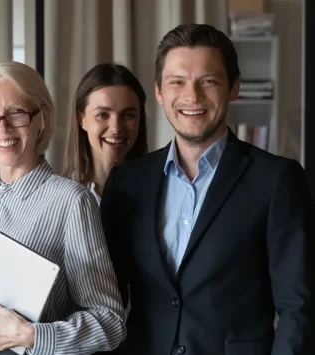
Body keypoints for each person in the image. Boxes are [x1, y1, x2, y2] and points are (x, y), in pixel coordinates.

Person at [101, 24, 314, 355]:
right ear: (159, 92)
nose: (192, 97)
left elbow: (298, 307)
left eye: (208, 81)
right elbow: (105, 299)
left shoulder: (276, 180)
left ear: (233, 88)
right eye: (177, 82)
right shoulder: (127, 182)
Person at [0, 62, 125, 354]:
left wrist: (33, 336)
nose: (2, 127)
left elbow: (110, 321)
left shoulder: (71, 201)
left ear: (43, 117)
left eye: (17, 113)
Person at [63, 63, 148, 204]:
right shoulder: (61, 196)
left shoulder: (158, 190)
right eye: (102, 115)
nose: (116, 128)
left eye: (128, 115)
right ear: (81, 119)